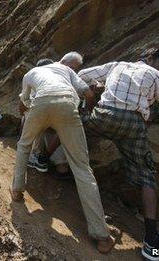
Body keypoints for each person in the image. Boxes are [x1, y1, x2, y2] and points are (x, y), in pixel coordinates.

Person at [78, 48, 159, 260]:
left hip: (104, 115)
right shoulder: (158, 76)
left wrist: (94, 89)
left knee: (74, 123)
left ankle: (44, 159)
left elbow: (82, 75)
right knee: (147, 176)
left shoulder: (118, 65)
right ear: (149, 58)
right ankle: (152, 240)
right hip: (134, 125)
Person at [12, 52, 115, 253]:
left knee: (24, 146)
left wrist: (31, 114)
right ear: (63, 63)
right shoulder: (66, 71)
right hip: (68, 105)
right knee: (82, 168)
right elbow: (89, 94)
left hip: (40, 103)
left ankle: (17, 190)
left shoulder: (31, 72)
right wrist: (86, 111)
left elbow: (23, 102)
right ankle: (102, 236)